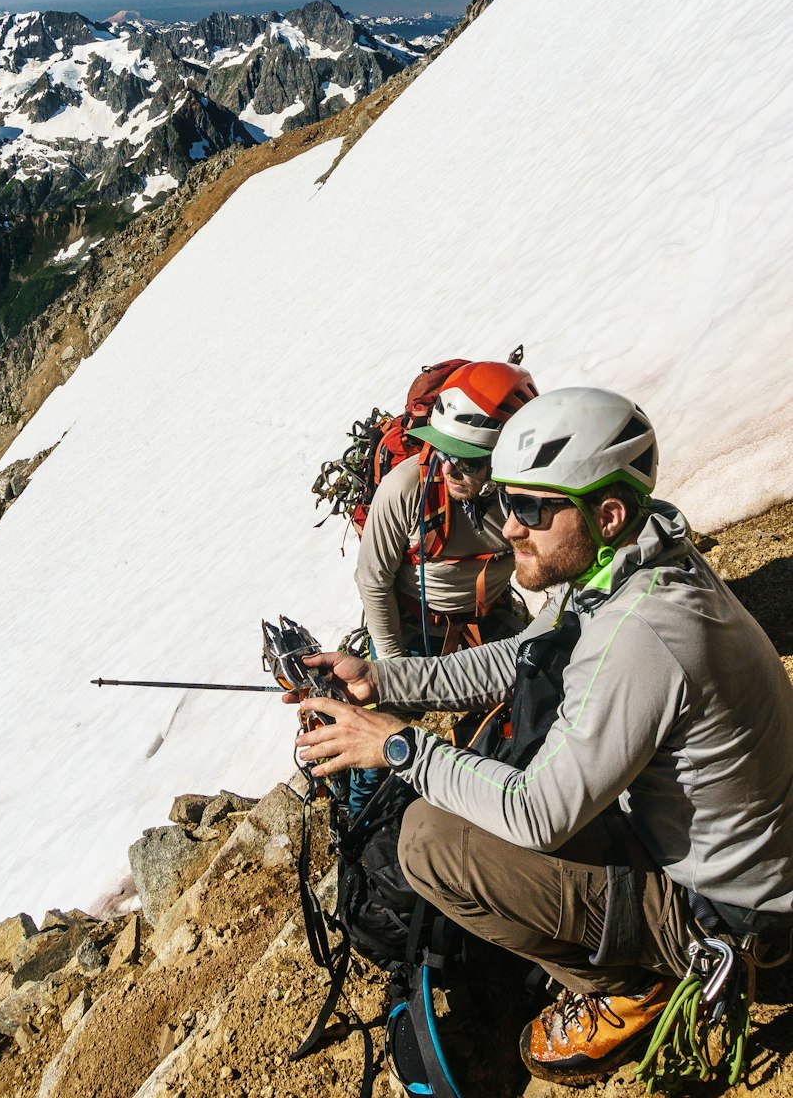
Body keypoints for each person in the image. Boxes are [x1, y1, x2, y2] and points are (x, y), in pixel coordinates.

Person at [293, 387, 793, 1084]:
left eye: (532, 508)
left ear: (606, 512)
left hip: (730, 922)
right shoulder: (626, 564)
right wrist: (385, 683)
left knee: (428, 843)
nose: (508, 529)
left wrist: (397, 746)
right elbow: (523, 655)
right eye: (506, 501)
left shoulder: (640, 634)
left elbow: (536, 812)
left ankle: (624, 987)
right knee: (472, 790)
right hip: (732, 868)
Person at [356, 359, 538, 659]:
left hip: (491, 614)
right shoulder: (406, 487)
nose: (448, 468)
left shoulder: (534, 493)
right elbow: (373, 580)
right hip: (415, 628)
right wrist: (392, 667)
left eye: (468, 460)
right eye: (441, 450)